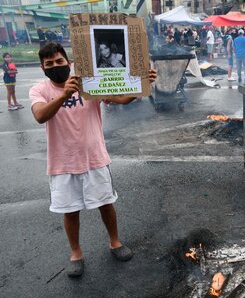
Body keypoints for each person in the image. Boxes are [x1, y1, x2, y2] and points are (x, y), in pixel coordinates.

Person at [28, 42, 157, 277]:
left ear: (68, 62)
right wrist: (64, 94)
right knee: (70, 211)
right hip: (62, 162)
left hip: (95, 157)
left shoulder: (89, 83)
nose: (55, 66)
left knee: (106, 203)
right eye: (49, 64)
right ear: (42, 67)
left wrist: (143, 83)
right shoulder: (40, 90)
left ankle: (115, 242)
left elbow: (122, 99)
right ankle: (76, 253)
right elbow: (39, 115)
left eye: (59, 61)